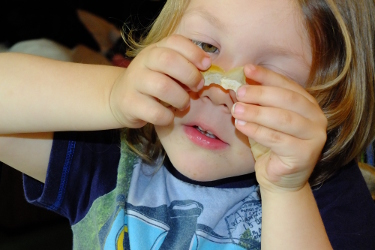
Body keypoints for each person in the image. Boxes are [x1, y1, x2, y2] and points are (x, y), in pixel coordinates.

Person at [0, 0, 374, 249]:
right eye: (205, 46)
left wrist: (286, 193)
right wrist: (113, 94)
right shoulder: (110, 158)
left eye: (268, 77)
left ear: (329, 105)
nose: (218, 90)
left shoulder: (329, 200)